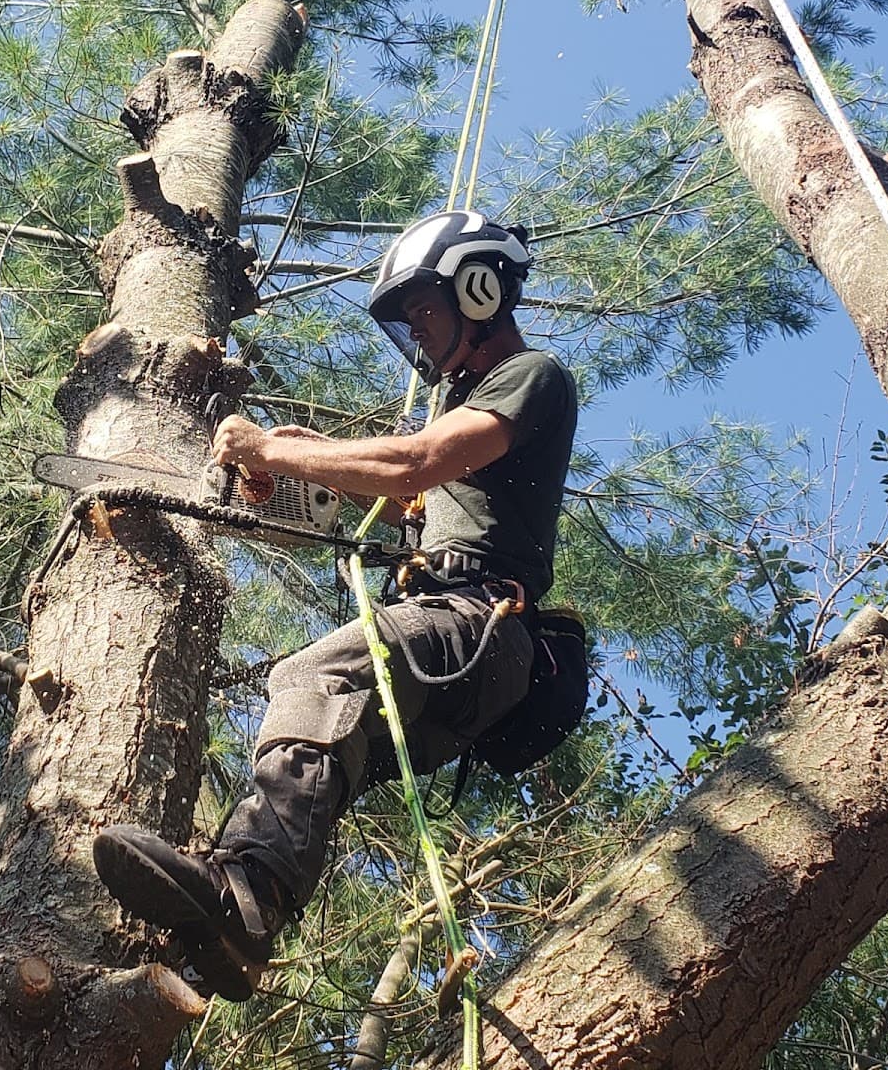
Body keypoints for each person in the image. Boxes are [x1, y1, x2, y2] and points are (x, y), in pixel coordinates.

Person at [93, 209, 578, 1001]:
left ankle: (241, 893)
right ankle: (237, 921)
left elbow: (414, 462)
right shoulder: (470, 413)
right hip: (449, 645)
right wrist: (302, 472)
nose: (417, 334)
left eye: (423, 311)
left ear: (481, 289)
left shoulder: (531, 376)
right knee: (329, 742)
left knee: (317, 671)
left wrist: (274, 448)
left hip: (478, 624)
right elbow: (407, 503)